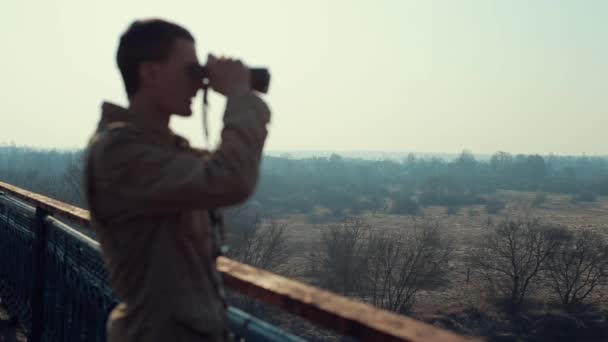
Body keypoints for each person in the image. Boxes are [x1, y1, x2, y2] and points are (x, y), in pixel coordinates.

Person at [84, 18, 271, 342]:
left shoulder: (157, 148)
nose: (199, 83)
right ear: (150, 72)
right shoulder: (120, 152)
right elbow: (231, 178)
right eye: (190, 70)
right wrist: (239, 96)